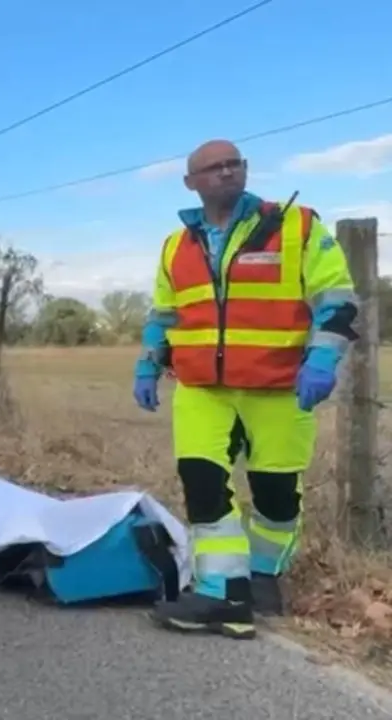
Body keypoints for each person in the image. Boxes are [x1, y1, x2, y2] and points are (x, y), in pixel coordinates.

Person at [134, 139, 358, 639]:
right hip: (201, 389)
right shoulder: (176, 245)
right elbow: (164, 315)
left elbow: (337, 298)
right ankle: (222, 594)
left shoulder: (296, 227)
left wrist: (323, 357)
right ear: (191, 182)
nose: (226, 172)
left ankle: (263, 577)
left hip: (279, 386)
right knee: (203, 483)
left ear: (246, 171)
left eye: (234, 163)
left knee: (276, 494)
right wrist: (147, 365)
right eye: (213, 167)